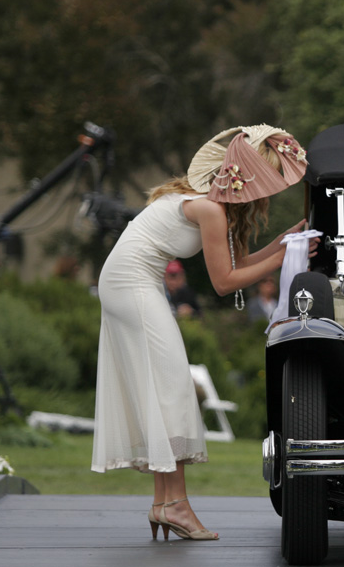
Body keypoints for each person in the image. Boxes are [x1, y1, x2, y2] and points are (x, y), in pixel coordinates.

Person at [91, 124, 316, 541]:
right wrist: (283, 256)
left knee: (166, 386)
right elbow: (226, 282)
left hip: (128, 283)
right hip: (131, 285)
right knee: (173, 385)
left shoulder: (208, 205)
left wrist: (287, 242)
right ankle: (174, 504)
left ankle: (164, 504)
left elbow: (244, 263)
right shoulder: (208, 209)